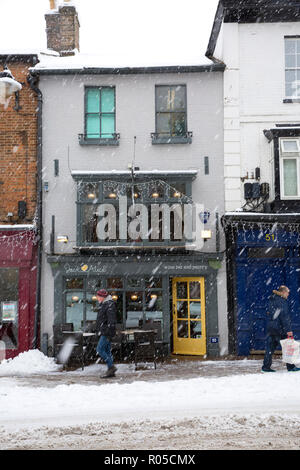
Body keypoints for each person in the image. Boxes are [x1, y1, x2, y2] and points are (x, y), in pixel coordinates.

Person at [262, 285, 300, 373]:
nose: (288, 294)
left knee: (270, 348)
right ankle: (291, 367)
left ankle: (266, 367)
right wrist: (289, 330)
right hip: (280, 328)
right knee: (288, 347)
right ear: (283, 292)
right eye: (287, 292)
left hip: (272, 327)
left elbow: (269, 313)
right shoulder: (282, 301)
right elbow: (284, 317)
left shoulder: (272, 299)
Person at [95, 289, 117, 378]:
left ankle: (111, 366)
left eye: (98, 296)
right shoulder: (105, 304)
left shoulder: (109, 305)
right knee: (107, 351)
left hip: (106, 332)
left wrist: (108, 332)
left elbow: (111, 321)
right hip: (105, 331)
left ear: (103, 297)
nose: (97, 298)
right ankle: (111, 372)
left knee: (100, 349)